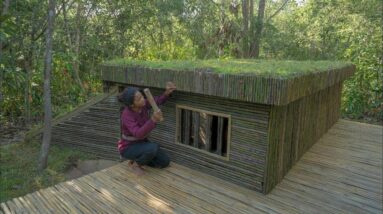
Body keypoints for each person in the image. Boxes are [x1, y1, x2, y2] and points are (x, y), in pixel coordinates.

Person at [117, 82, 176, 176]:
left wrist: (166, 93)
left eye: (142, 96)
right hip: (128, 147)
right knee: (153, 147)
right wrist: (153, 120)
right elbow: (138, 133)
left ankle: (136, 160)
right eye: (139, 99)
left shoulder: (143, 105)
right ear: (132, 105)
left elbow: (156, 101)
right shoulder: (126, 115)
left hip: (142, 143)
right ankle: (136, 165)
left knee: (165, 162)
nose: (143, 99)